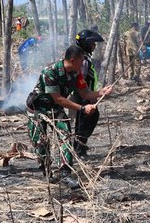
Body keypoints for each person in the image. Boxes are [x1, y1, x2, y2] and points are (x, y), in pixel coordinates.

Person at [25, 45, 112, 187]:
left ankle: (65, 173)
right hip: (37, 109)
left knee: (65, 136)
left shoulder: (76, 74)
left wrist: (101, 93)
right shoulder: (50, 72)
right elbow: (58, 98)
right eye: (81, 61)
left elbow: (85, 93)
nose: (83, 64)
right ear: (72, 60)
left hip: (55, 108)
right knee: (41, 144)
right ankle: (47, 172)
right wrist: (82, 108)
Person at [71, 29, 105, 158]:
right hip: (83, 97)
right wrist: (90, 97)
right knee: (83, 123)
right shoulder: (83, 61)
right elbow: (82, 80)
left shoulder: (83, 58)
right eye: (92, 43)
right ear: (85, 44)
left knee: (86, 121)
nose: (94, 46)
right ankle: (79, 150)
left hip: (86, 95)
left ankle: (80, 148)